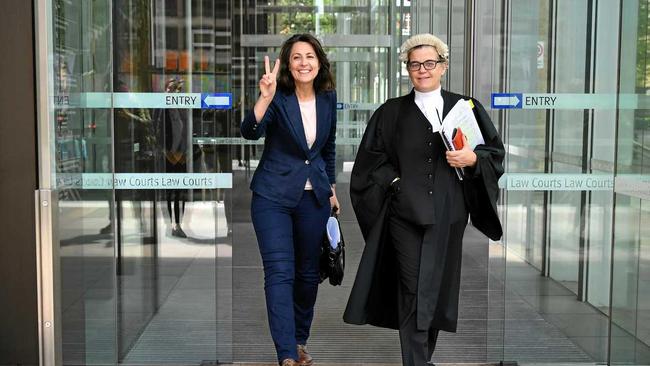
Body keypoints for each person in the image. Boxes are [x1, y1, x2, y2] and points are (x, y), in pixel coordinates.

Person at [343, 33, 505, 366]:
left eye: (429, 63)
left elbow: (494, 153)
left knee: (438, 288)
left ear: (443, 67)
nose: (422, 70)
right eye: (415, 64)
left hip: (450, 213)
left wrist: (472, 160)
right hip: (405, 214)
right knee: (413, 289)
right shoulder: (390, 113)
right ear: (407, 69)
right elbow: (370, 162)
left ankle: (423, 357)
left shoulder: (466, 108)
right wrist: (396, 182)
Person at [241, 33, 339, 366]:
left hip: (314, 200)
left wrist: (332, 188)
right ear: (288, 63)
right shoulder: (278, 97)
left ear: (319, 62)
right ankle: (286, 353)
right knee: (280, 273)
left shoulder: (327, 98)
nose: (303, 63)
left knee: (308, 275)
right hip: (272, 197)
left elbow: (327, 149)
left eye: (309, 56)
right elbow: (250, 130)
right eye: (296, 57)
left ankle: (299, 340)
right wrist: (264, 98)